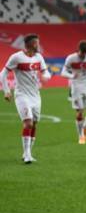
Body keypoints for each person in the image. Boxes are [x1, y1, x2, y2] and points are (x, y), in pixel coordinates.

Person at [1, 34, 51, 163]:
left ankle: (26, 152)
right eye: (36, 43)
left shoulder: (38, 57)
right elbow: (3, 73)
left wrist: (46, 76)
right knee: (28, 123)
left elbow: (46, 71)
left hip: (35, 95)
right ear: (29, 44)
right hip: (22, 94)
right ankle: (28, 155)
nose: (38, 45)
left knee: (34, 123)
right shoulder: (17, 57)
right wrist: (6, 91)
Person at [61, 40, 86, 144]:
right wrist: (71, 76)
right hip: (76, 87)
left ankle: (84, 127)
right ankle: (81, 136)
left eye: (85, 53)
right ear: (78, 50)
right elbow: (63, 72)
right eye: (81, 53)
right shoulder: (71, 58)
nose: (83, 55)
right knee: (79, 113)